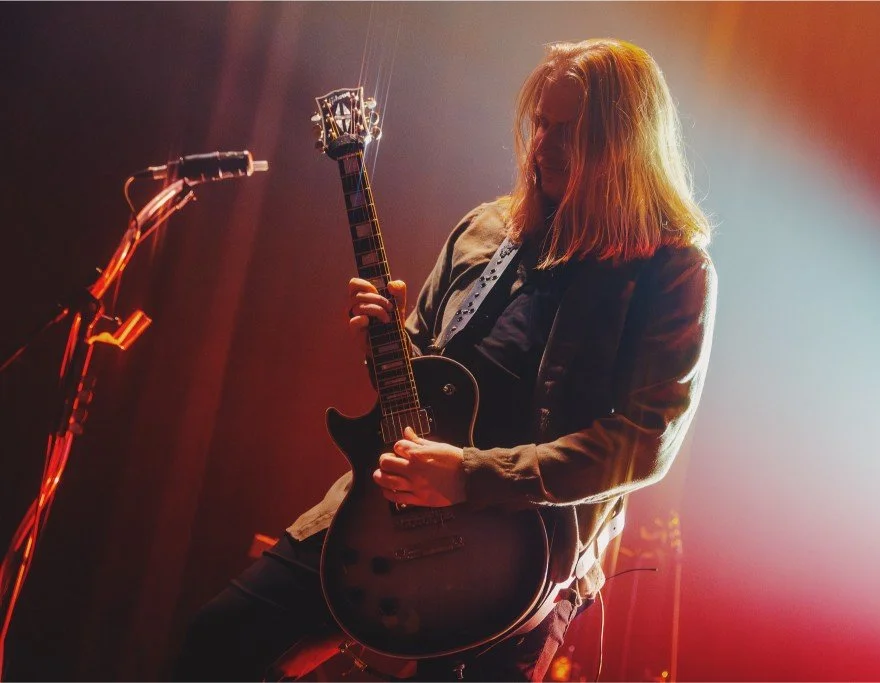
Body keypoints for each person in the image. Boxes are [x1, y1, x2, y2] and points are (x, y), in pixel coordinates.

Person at [172, 37, 717, 682]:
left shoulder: (671, 271)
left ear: (626, 145)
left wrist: (472, 476)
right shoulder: (488, 229)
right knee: (211, 646)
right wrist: (389, 345)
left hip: (524, 555)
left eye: (570, 131)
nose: (544, 145)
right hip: (384, 514)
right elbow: (420, 376)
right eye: (541, 123)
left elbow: (645, 442)